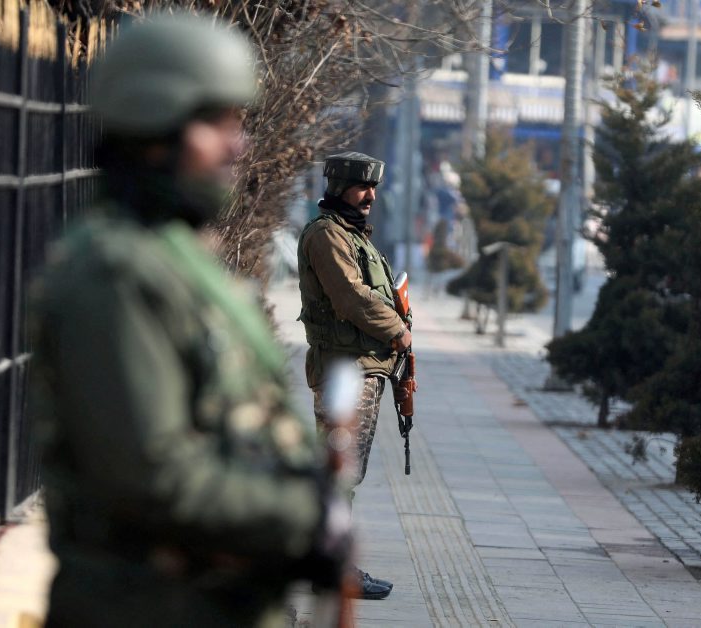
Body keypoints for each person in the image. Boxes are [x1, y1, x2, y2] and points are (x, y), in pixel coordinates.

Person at [27, 14, 349, 627]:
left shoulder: (176, 258)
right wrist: (301, 518)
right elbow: (153, 477)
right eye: (217, 124)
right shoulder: (116, 274)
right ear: (154, 124)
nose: (237, 145)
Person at [296, 151, 412, 600]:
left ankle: (327, 563)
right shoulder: (327, 235)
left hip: (362, 367)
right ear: (339, 186)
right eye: (362, 186)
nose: (370, 196)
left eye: (373, 187)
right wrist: (397, 330)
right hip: (345, 370)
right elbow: (350, 296)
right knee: (339, 472)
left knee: (344, 470)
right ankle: (332, 568)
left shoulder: (353, 235)